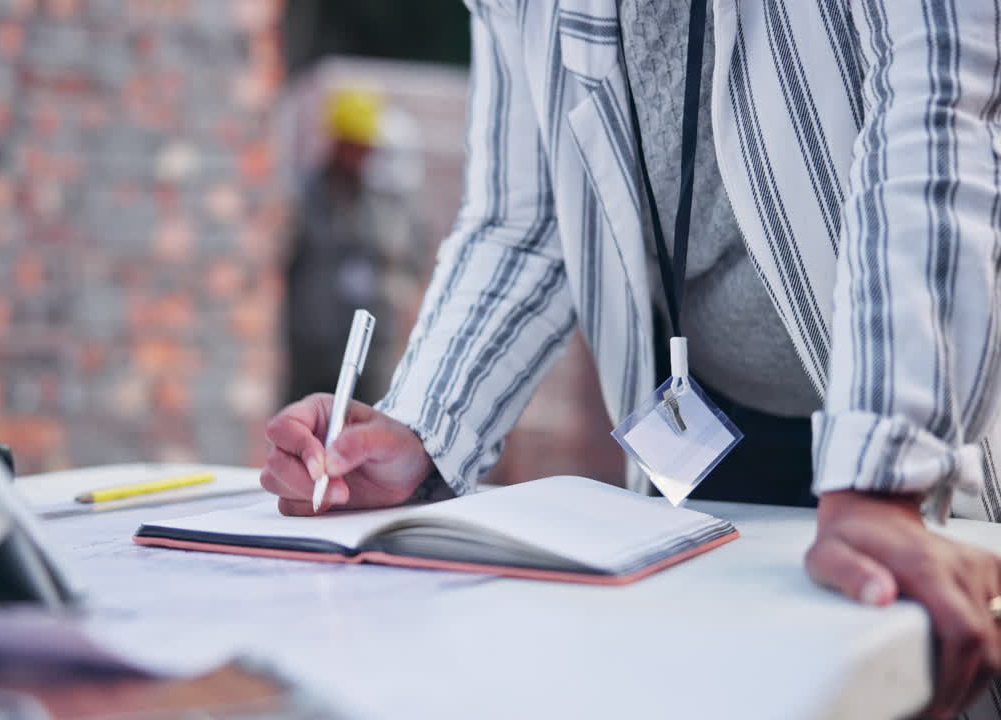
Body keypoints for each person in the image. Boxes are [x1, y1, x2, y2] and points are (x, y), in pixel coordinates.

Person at [262, 1, 1001, 717]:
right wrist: (419, 428)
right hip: (719, 439)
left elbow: (936, 114)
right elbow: (525, 217)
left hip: (924, 412)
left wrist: (884, 469)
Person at [283, 89, 423, 406]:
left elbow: (410, 260)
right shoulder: (307, 196)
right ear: (337, 143)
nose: (361, 155)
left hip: (371, 350)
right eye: (354, 146)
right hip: (313, 348)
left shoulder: (388, 202)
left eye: (366, 147)